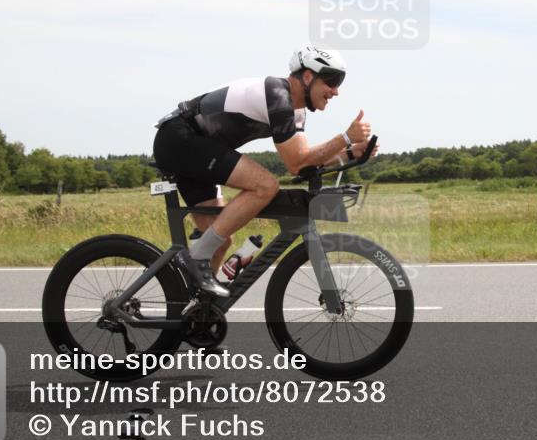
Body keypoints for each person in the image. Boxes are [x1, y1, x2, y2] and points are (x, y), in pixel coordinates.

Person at [153, 45, 376, 297]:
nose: (336, 91)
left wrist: (349, 153)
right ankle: (195, 260)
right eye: (332, 81)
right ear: (307, 76)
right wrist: (345, 137)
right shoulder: (277, 94)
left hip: (197, 147)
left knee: (218, 241)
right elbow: (296, 162)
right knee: (265, 186)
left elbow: (305, 163)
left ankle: (196, 309)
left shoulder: (296, 111)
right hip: (180, 138)